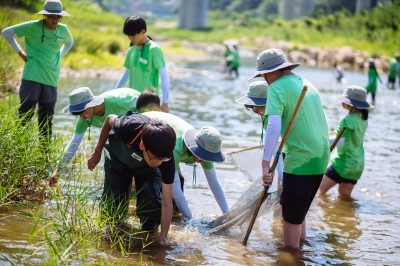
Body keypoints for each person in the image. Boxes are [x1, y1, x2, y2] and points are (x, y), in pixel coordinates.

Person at [248, 48, 330, 249]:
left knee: (291, 219)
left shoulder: (276, 87)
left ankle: (291, 258)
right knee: (298, 215)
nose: (265, 80)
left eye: (263, 75)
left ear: (270, 73)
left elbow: (274, 126)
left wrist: (265, 163)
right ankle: (302, 254)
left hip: (299, 158)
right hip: (321, 157)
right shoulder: (306, 83)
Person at [87, 111, 176, 244]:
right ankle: (111, 232)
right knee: (113, 202)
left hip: (146, 168)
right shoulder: (128, 126)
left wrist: (163, 237)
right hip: (118, 157)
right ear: (142, 146)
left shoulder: (165, 157)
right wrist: (97, 151)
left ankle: (148, 234)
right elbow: (109, 119)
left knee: (150, 198)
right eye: (155, 158)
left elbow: (167, 204)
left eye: (163, 159)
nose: (159, 162)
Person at [1, 0, 74, 143]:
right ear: (44, 15)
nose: (55, 19)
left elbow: (70, 42)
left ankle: (45, 155)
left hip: (51, 78)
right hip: (32, 76)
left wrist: (59, 56)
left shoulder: (63, 29)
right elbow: (7, 32)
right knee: (25, 115)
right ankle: (20, 150)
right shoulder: (32, 26)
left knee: (46, 119)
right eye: (51, 16)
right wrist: (20, 53)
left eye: (58, 16)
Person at [47, 87, 150, 186]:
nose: (81, 115)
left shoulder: (119, 101)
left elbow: (149, 108)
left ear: (91, 104)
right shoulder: (83, 120)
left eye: (82, 111)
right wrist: (57, 171)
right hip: (121, 128)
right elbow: (73, 145)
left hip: (140, 117)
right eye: (77, 113)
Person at [139, 110, 229, 219]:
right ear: (196, 147)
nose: (205, 159)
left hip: (166, 139)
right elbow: (175, 188)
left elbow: (214, 183)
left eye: (208, 156)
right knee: (156, 185)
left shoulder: (207, 149)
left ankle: (176, 215)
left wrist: (227, 214)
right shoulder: (176, 147)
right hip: (147, 129)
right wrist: (191, 219)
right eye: (204, 155)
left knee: (178, 188)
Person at [317, 86, 372, 199]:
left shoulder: (347, 121)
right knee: (344, 197)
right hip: (357, 164)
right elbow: (343, 136)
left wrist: (317, 141)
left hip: (343, 163)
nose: (342, 102)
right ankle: (347, 216)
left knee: (319, 191)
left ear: (352, 103)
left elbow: (338, 141)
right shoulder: (362, 118)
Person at [115, 16, 170, 113]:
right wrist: (114, 93)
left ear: (143, 31)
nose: (130, 38)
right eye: (128, 36)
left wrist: (165, 102)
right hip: (132, 102)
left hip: (150, 103)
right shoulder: (131, 50)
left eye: (133, 35)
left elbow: (164, 76)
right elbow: (126, 74)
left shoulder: (154, 49)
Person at [234, 80, 284, 184]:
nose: (256, 112)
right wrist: (270, 167)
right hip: (278, 151)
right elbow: (273, 143)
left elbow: (278, 139)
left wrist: (266, 165)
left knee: (284, 178)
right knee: (281, 181)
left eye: (257, 108)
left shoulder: (276, 115)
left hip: (288, 151)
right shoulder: (264, 115)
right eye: (253, 109)